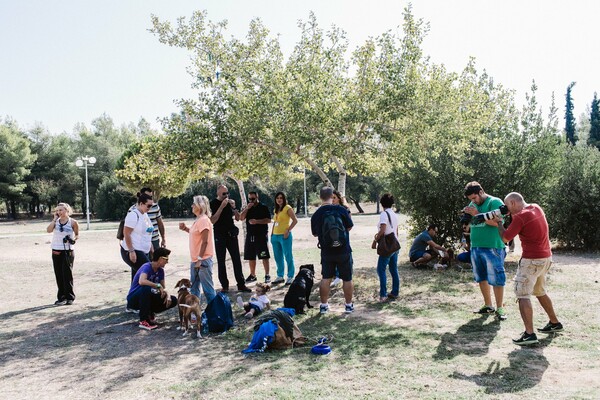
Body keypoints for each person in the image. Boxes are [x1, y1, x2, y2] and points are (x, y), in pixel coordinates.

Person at [492, 192, 563, 345]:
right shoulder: (536, 208)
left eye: (507, 206)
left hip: (532, 260)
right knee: (540, 291)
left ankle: (529, 334)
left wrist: (499, 222)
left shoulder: (520, 216)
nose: (507, 210)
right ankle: (554, 322)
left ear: (512, 203)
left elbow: (505, 238)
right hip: (546, 258)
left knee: (522, 294)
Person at [463, 181, 507, 320]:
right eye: (470, 200)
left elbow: (497, 223)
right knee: (481, 277)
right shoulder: (473, 204)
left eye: (474, 198)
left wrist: (477, 214)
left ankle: (500, 309)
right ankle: (488, 305)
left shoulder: (495, 202)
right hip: (476, 246)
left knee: (497, 278)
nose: (473, 202)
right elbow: (472, 223)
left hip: (492, 246)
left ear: (481, 192)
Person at [311, 186, 355, 314]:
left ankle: (324, 305)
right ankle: (348, 305)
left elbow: (314, 233)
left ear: (320, 197)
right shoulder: (341, 210)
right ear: (332, 196)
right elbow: (349, 226)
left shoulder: (317, 214)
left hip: (326, 251)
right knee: (347, 278)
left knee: (326, 278)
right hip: (344, 250)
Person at [210, 185, 252, 293]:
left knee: (236, 259)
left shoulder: (229, 203)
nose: (226, 196)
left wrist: (233, 207)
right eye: (224, 194)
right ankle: (225, 285)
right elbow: (212, 220)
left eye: (227, 193)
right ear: (218, 193)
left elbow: (238, 218)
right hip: (219, 234)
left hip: (231, 234)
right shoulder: (213, 203)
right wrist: (221, 207)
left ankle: (241, 284)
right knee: (221, 260)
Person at [126, 247, 178, 330]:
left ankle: (150, 313)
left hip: (147, 297)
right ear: (160, 259)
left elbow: (162, 288)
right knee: (146, 288)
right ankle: (143, 320)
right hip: (135, 299)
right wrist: (157, 285)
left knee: (173, 300)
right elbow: (142, 281)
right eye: (166, 259)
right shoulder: (146, 266)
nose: (167, 262)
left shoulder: (160, 271)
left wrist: (168, 295)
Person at [179, 195, 216, 305]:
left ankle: (215, 313)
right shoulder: (198, 220)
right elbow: (197, 235)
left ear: (200, 206)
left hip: (202, 260)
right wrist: (185, 229)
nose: (192, 206)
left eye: (194, 204)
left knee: (208, 290)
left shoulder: (204, 220)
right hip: (195, 259)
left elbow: (205, 241)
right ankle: (195, 313)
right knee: (194, 289)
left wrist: (200, 259)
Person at [46, 203, 79, 305]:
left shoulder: (73, 222)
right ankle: (62, 297)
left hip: (68, 250)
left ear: (67, 210)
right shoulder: (56, 222)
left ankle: (70, 297)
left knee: (67, 274)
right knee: (59, 274)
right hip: (56, 249)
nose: (59, 212)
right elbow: (48, 230)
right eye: (57, 210)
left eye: (61, 210)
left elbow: (77, 235)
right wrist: (54, 219)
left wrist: (73, 239)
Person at [120, 193, 154, 285]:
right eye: (149, 205)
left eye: (152, 206)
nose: (150, 208)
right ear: (141, 204)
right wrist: (131, 251)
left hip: (144, 251)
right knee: (149, 273)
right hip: (133, 250)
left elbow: (147, 233)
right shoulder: (133, 215)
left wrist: (151, 249)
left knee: (137, 279)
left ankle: (134, 298)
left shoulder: (145, 215)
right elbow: (126, 233)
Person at [372, 193, 400, 302]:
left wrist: (375, 240)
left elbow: (383, 230)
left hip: (388, 246)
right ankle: (395, 292)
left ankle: (383, 294)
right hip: (395, 245)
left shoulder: (384, 214)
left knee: (381, 269)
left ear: (382, 203)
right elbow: (396, 230)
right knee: (393, 269)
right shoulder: (394, 214)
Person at [239, 191, 272, 283]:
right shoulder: (248, 208)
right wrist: (246, 209)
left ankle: (267, 274)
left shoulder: (263, 207)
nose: (251, 200)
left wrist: (257, 221)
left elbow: (268, 220)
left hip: (261, 235)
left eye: (253, 199)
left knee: (264, 255)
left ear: (257, 197)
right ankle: (253, 275)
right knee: (251, 256)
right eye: (250, 199)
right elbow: (241, 218)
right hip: (250, 235)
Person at [270, 192, 298, 285]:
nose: (279, 199)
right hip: (275, 236)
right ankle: (280, 276)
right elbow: (275, 222)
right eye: (277, 198)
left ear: (284, 199)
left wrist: (288, 230)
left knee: (288, 256)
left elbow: (295, 220)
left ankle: (290, 276)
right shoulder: (276, 209)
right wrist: (272, 234)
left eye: (281, 198)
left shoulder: (288, 208)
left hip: (284, 236)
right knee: (278, 257)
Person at [330, 190, 350, 287]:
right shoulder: (329, 209)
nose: (332, 200)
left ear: (339, 198)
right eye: (331, 198)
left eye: (334, 197)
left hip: (343, 236)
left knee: (345, 254)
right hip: (332, 236)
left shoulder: (345, 209)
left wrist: (343, 233)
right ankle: (336, 275)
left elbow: (349, 224)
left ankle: (341, 275)